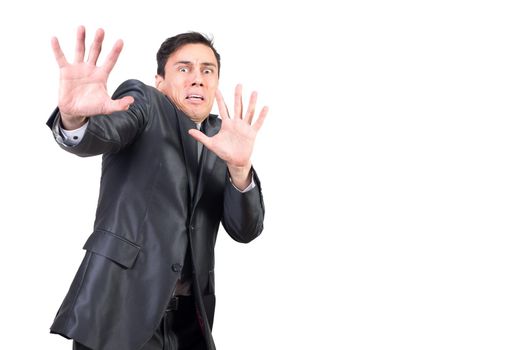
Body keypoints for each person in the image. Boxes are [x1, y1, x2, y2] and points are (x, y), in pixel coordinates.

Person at [46, 26, 268, 350]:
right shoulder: (145, 103)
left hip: (190, 324)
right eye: (184, 68)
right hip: (118, 311)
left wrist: (239, 169)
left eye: (208, 70)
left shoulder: (225, 138)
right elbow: (104, 132)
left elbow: (245, 230)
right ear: (160, 81)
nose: (197, 78)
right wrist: (75, 120)